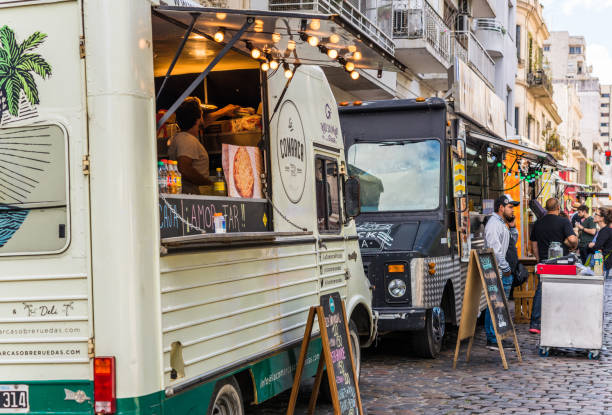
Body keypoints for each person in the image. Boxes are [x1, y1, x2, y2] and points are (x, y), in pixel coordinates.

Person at [168, 97, 239, 194]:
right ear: (199, 117)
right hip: (190, 197)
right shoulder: (186, 139)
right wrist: (208, 184)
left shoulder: (184, 137)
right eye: (201, 113)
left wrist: (224, 112)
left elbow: (203, 122)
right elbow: (184, 169)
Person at [528, 198, 578, 334]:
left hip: (544, 263)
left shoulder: (538, 223)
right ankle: (560, 321)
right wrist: (574, 245)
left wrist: (539, 260)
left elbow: (534, 245)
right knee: (562, 291)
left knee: (541, 291)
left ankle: (535, 323)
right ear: (558, 207)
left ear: (546, 207)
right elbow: (572, 239)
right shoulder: (563, 221)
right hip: (561, 263)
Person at [483, 194, 519, 350]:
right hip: (496, 270)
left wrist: (513, 227)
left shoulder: (501, 223)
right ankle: (492, 337)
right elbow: (494, 250)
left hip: (501, 269)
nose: (512, 210)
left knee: (499, 304)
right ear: (501, 207)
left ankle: (496, 336)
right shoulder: (493, 224)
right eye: (510, 207)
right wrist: (505, 268)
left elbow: (511, 241)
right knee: (495, 304)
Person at [588, 208, 612, 277]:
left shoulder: (605, 231)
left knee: (597, 284)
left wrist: (590, 245)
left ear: (602, 218)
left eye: (596, 214)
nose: (594, 215)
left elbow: (596, 248)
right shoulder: (605, 230)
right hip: (602, 262)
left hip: (601, 262)